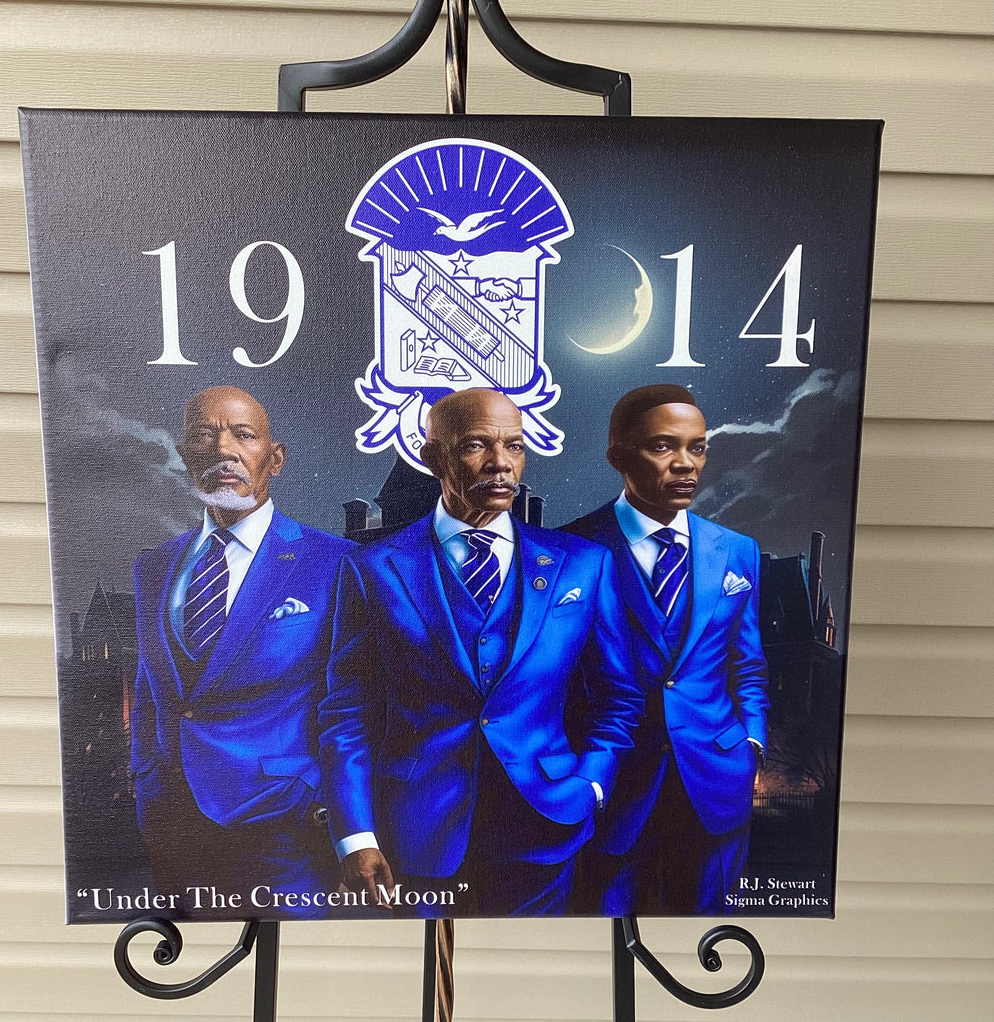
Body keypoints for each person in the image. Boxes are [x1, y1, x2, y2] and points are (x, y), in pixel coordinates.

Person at [318, 387, 643, 917]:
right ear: (432, 458)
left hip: (547, 827)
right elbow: (347, 714)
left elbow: (618, 696)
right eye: (475, 445)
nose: (500, 463)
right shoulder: (371, 569)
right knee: (424, 968)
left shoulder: (583, 564)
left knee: (532, 968)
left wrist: (592, 784)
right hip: (414, 837)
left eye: (514, 446)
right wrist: (356, 834)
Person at [130, 386, 354, 914]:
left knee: (296, 962)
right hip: (170, 824)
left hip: (285, 828)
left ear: (274, 458)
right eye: (204, 436)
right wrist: (145, 779)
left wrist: (327, 805)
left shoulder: (337, 562)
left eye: (243, 435)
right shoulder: (154, 565)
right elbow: (150, 689)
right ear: (185, 457)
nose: (223, 449)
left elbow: (357, 703)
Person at [563, 384, 769, 915]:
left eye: (697, 448)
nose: (685, 464)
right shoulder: (568, 550)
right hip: (610, 787)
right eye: (663, 446)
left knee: (705, 935)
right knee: (600, 934)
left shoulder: (737, 551)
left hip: (717, 782)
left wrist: (752, 743)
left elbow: (748, 665)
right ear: (617, 456)